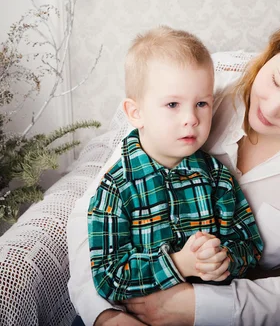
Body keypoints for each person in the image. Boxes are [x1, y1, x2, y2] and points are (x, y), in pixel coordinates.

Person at [67, 16, 280, 325]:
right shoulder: (203, 97)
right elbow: (95, 211)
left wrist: (199, 305)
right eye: (275, 80)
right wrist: (104, 314)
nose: (269, 109)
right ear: (277, 50)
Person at [86, 26, 264, 302]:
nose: (191, 118)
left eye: (202, 103)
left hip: (208, 312)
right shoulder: (117, 187)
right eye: (172, 105)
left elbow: (250, 246)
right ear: (136, 113)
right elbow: (108, 278)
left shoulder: (217, 178)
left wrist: (224, 259)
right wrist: (179, 263)